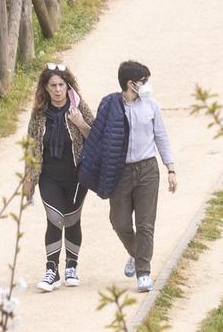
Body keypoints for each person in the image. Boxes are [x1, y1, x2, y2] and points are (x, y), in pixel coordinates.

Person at [75, 58, 178, 292]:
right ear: (131, 84)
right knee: (119, 222)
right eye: (143, 81)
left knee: (145, 224)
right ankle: (136, 253)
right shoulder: (110, 105)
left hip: (147, 170)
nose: (147, 85)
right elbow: (99, 138)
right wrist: (81, 125)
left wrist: (170, 167)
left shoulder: (151, 106)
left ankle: (144, 272)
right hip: (119, 171)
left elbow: (161, 136)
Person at [23, 61, 91, 292]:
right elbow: (31, 147)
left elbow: (96, 136)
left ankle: (72, 265)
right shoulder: (39, 114)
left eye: (62, 84)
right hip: (49, 176)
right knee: (55, 218)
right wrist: (29, 180)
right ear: (45, 87)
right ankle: (51, 270)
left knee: (72, 219)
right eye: (53, 85)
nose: (58, 89)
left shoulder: (79, 108)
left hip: (77, 175)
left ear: (68, 86)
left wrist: (79, 123)